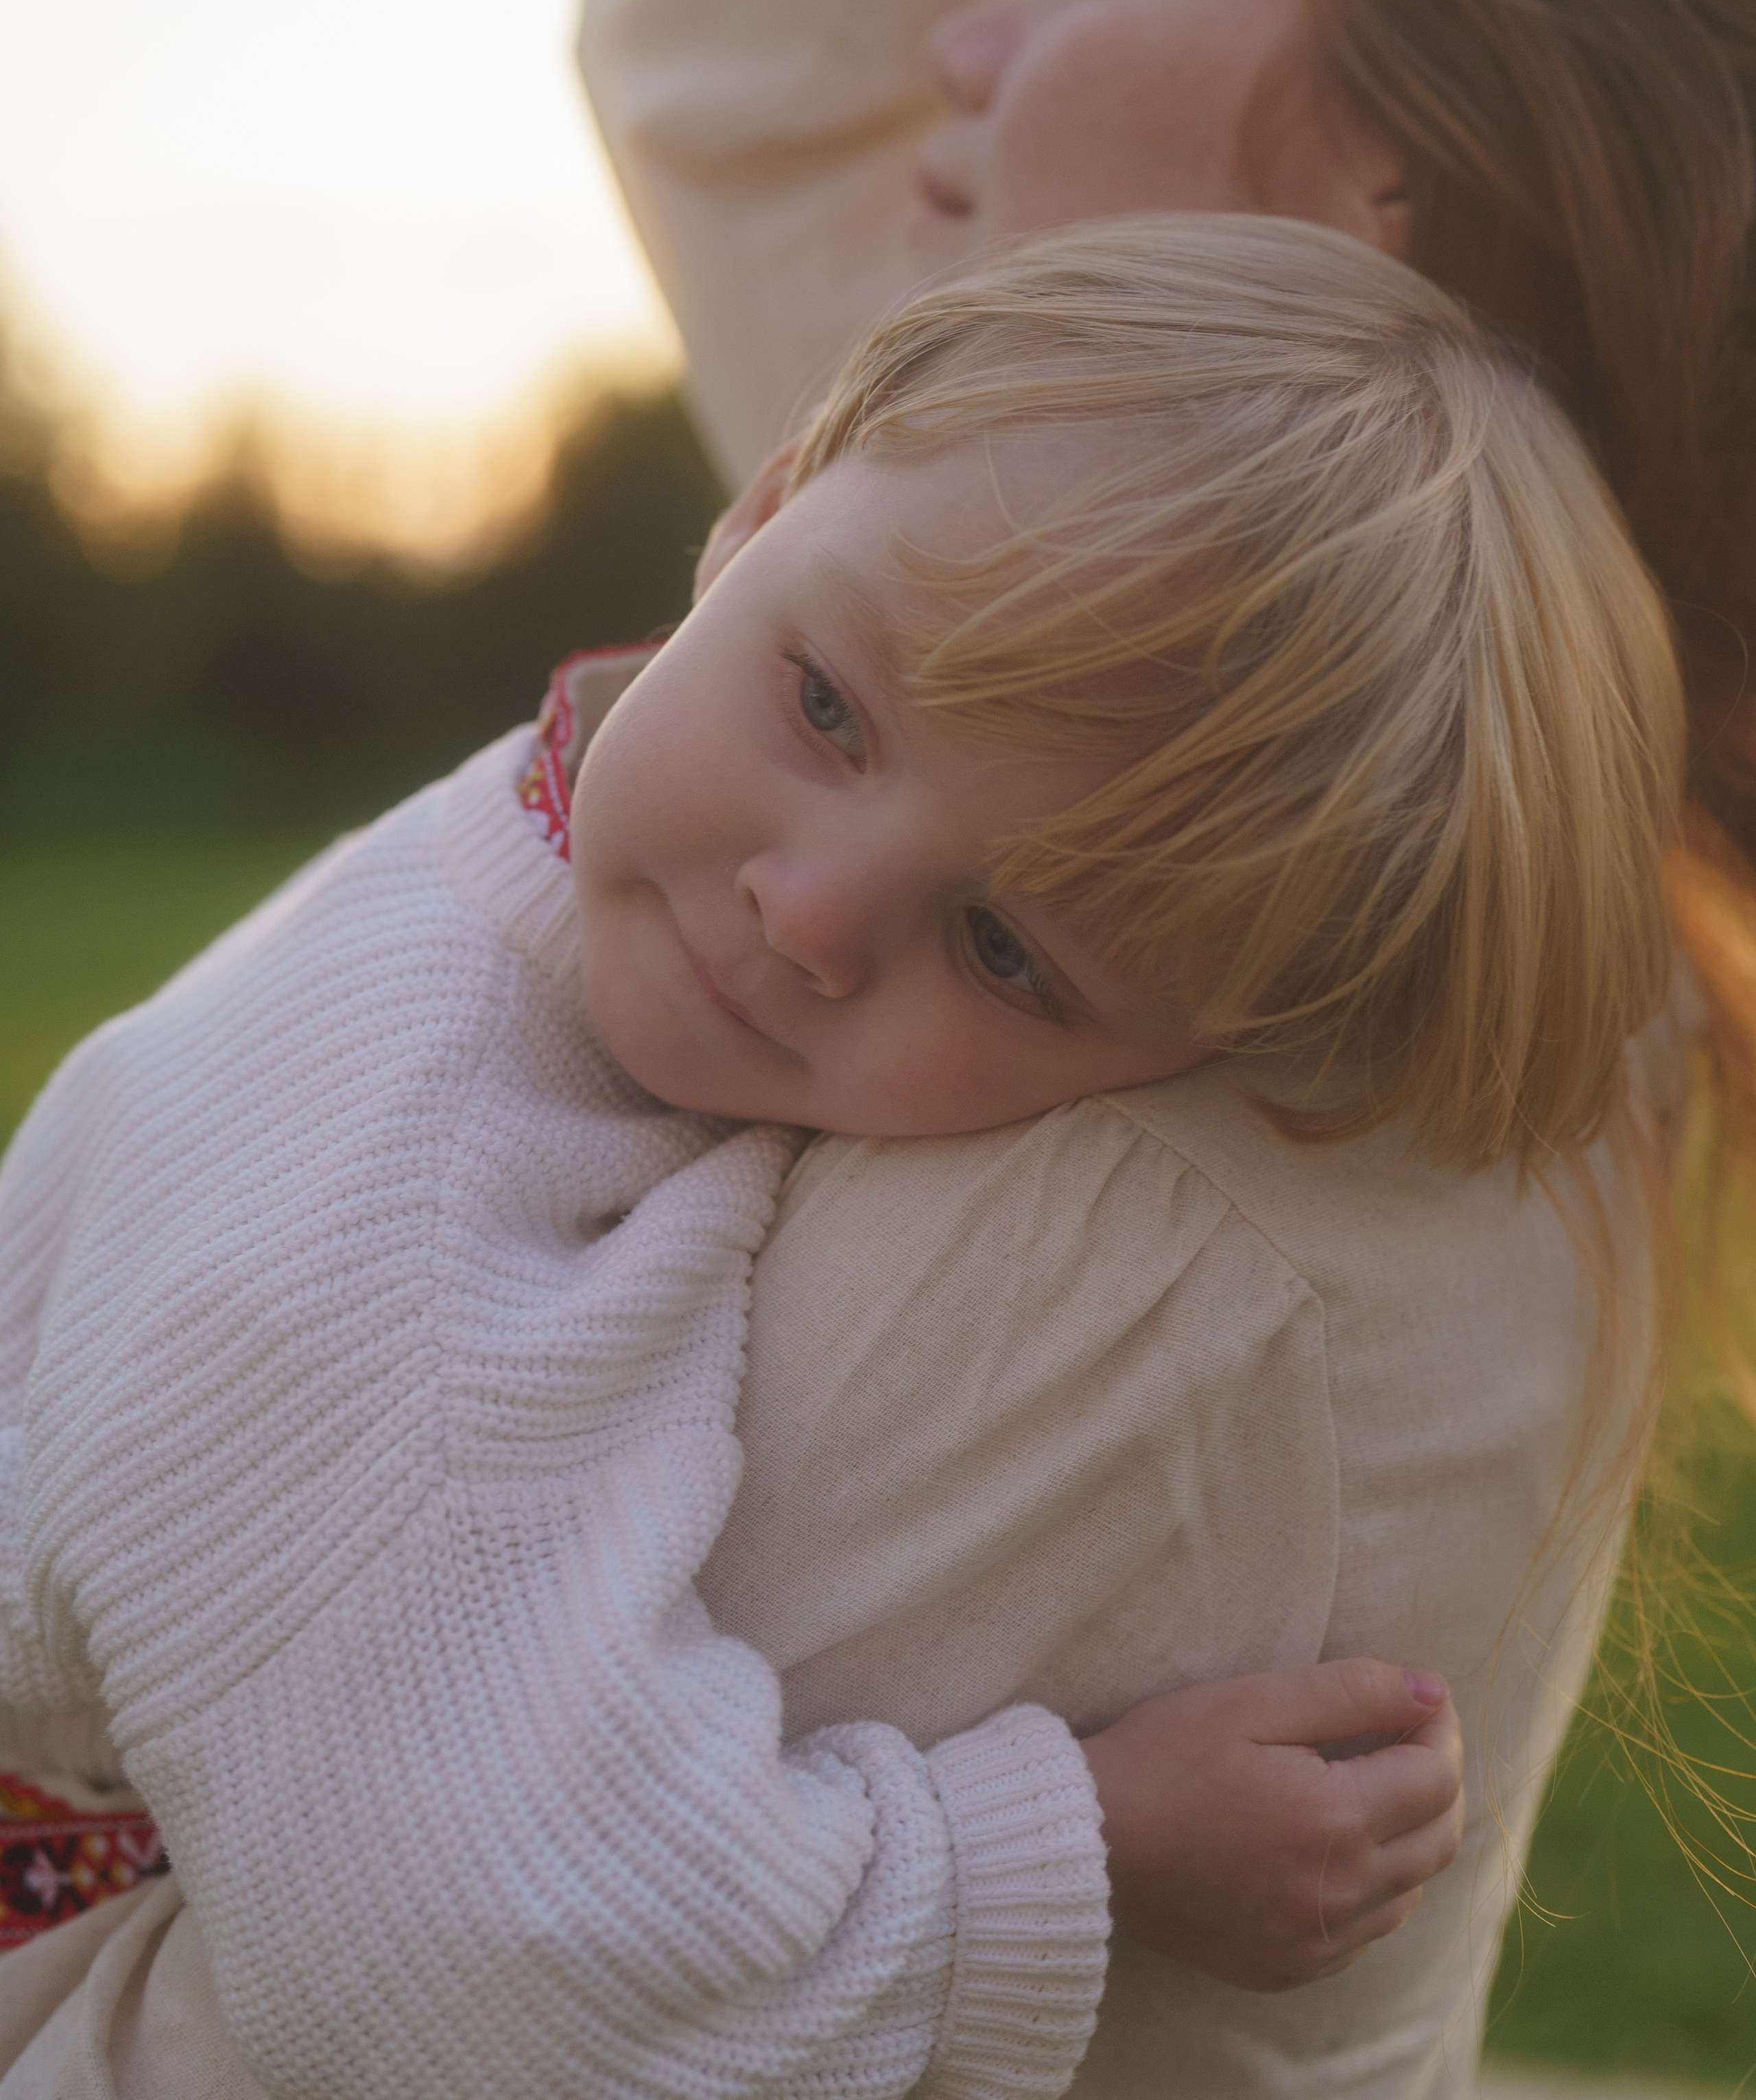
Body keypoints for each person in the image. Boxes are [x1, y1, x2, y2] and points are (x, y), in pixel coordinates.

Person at [0, 215, 1676, 2098]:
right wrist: (1064, 1847)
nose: (806, 913)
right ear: (766, 502)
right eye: (828, 706)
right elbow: (469, 1973)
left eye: (1009, 951)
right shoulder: (402, 1207)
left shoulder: (538, 867)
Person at [578, 0, 1756, 2088]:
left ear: (1391, 224)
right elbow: (721, 50)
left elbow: (402, 1977)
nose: (973, 34)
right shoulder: (1153, 741)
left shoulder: (1171, 1227)